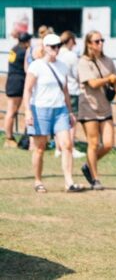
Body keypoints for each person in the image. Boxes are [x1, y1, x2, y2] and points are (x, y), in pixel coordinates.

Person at [23, 33, 85, 192]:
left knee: (67, 145)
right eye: (52, 46)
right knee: (40, 147)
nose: (56, 49)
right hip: (40, 109)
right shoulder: (36, 66)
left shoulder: (62, 65)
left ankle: (69, 182)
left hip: (60, 110)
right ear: (44, 47)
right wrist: (28, 111)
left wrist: (70, 112)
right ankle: (38, 181)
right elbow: (28, 90)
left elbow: (65, 91)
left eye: (58, 46)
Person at [77, 30, 116, 190]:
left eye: (102, 40)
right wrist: (109, 79)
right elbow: (93, 84)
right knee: (93, 144)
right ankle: (95, 179)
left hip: (105, 108)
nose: (100, 43)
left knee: (108, 144)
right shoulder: (83, 62)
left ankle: (88, 164)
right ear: (89, 44)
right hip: (89, 108)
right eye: (96, 41)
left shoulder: (108, 61)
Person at [54, 31, 86, 159]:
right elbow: (76, 73)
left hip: (58, 91)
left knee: (59, 120)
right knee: (72, 120)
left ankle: (58, 148)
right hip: (71, 90)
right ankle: (70, 148)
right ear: (71, 40)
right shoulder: (71, 56)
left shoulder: (57, 53)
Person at [4, 32, 32, 148]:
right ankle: (9, 138)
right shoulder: (25, 51)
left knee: (10, 112)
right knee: (12, 112)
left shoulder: (14, 49)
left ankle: (9, 137)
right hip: (18, 82)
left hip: (11, 81)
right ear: (26, 42)